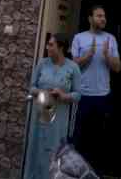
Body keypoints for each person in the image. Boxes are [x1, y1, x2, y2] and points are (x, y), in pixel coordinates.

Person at [71, 5, 120, 177]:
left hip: (103, 96)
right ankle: (75, 173)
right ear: (90, 18)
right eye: (99, 16)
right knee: (79, 136)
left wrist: (107, 55)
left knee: (99, 139)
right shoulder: (79, 38)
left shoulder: (110, 39)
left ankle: (96, 173)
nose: (103, 19)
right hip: (83, 95)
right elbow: (72, 66)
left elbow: (117, 68)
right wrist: (88, 55)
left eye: (104, 16)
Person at [24, 34, 81, 179]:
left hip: (59, 120)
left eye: (51, 45)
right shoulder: (42, 63)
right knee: (37, 149)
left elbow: (78, 95)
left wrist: (63, 95)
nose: (47, 47)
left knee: (55, 151)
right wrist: (42, 92)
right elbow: (31, 87)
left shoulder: (72, 68)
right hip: (40, 116)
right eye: (48, 44)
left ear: (61, 48)